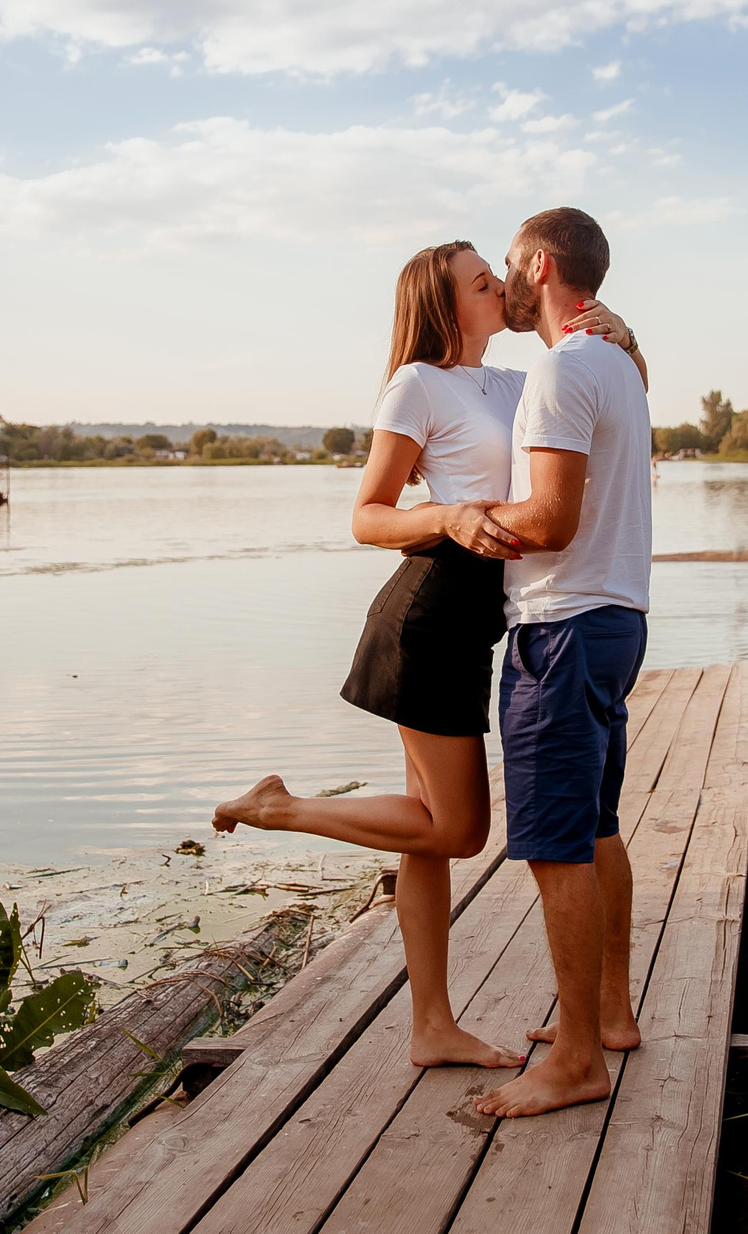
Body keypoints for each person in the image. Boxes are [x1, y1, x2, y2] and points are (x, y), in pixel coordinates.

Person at [211, 239, 643, 1070]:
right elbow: (368, 515)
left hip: (484, 620)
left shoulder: (520, 380)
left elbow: (604, 414)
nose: (502, 287)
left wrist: (623, 337)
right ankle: (282, 806)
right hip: (428, 620)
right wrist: (447, 515)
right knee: (459, 830)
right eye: (483, 281)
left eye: (501, 274)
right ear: (447, 305)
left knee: (426, 835)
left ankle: (431, 1025)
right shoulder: (416, 385)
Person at [468, 207, 653, 1120]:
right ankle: (610, 1011)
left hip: (562, 625)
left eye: (507, 265)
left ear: (540, 266)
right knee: (598, 825)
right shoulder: (616, 361)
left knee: (552, 848)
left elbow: (549, 522)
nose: (500, 280)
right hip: (617, 619)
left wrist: (459, 522)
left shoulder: (559, 368)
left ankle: (579, 1055)